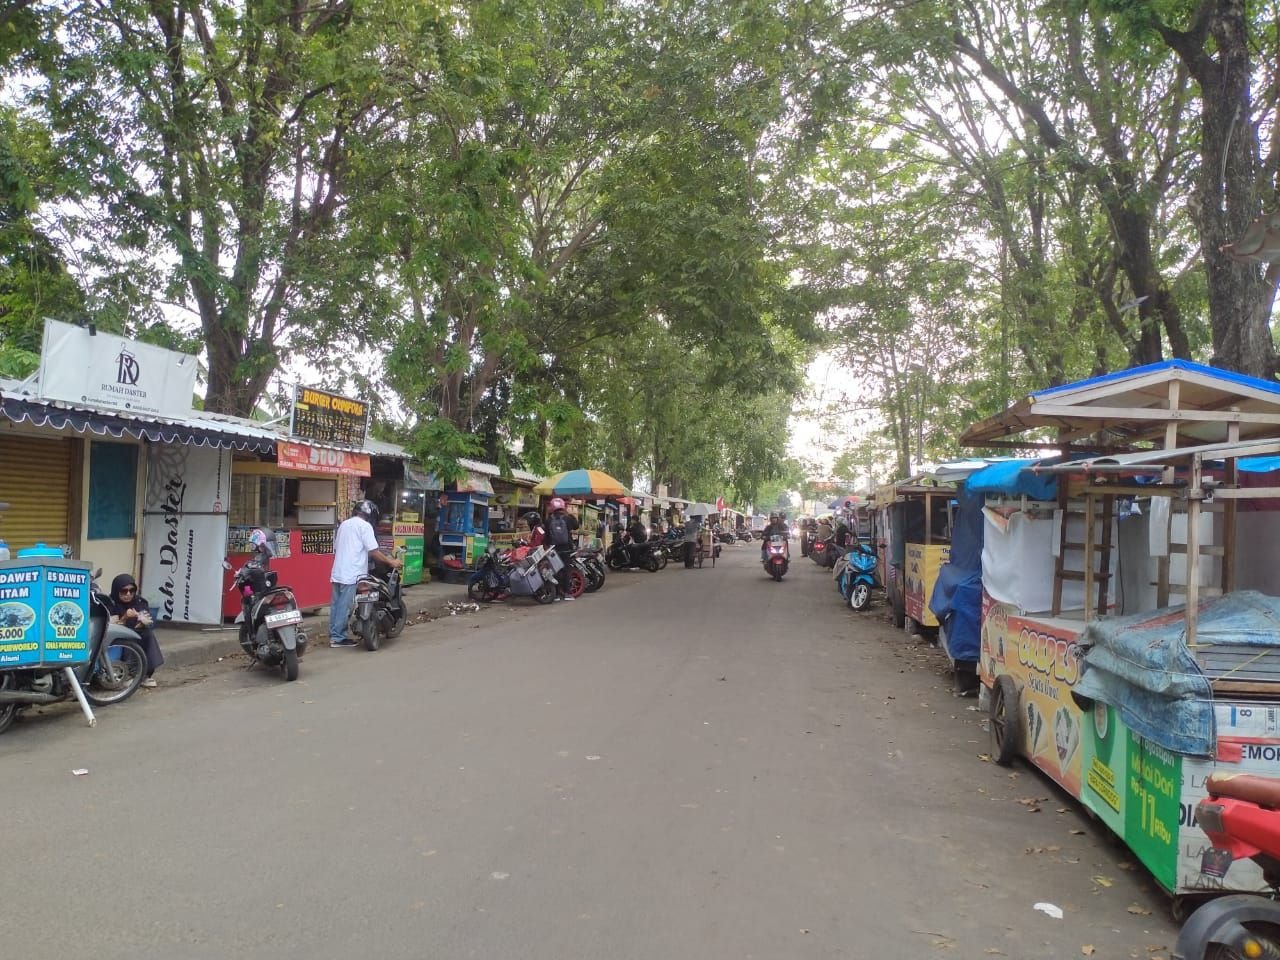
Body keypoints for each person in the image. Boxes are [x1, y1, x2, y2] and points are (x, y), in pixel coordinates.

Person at [329, 499, 402, 648]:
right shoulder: (365, 526)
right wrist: (391, 562)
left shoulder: (344, 524)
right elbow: (374, 551)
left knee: (336, 605)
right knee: (346, 606)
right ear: (370, 515)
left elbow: (339, 547)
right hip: (352, 573)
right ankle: (338, 638)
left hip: (338, 571)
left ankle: (334, 634)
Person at [107, 574, 163, 688]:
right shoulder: (110, 603)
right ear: (116, 590)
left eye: (132, 590)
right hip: (117, 636)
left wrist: (143, 622)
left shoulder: (139, 602)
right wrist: (125, 617)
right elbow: (110, 626)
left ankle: (146, 674)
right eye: (124, 591)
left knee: (147, 635)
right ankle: (128, 674)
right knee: (129, 638)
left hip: (136, 632)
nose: (128, 594)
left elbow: (146, 620)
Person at [544, 496, 579, 601]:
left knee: (555, 571)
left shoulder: (549, 520)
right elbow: (576, 526)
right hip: (567, 548)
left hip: (554, 550)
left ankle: (557, 595)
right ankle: (567, 594)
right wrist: (570, 514)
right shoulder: (567, 518)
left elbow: (547, 535)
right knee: (567, 570)